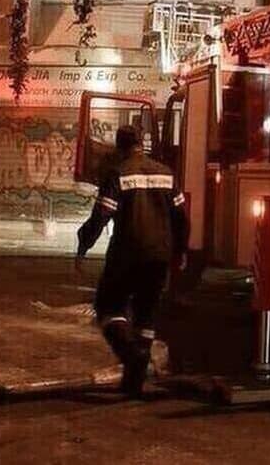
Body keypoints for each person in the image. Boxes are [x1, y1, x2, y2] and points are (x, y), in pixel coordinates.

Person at [76, 125, 189, 396]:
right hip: (159, 255)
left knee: (108, 307)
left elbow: (102, 214)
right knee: (146, 316)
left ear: (120, 147)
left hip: (127, 254)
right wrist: (181, 250)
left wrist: (84, 243)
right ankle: (133, 382)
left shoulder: (119, 173)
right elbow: (181, 217)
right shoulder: (166, 174)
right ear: (142, 144)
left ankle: (131, 354)